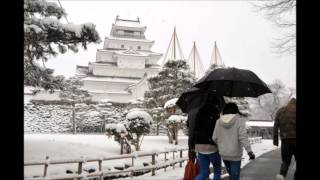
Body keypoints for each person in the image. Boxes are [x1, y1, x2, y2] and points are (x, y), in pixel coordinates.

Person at [212, 103, 255, 180]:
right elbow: (243, 137)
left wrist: (221, 145)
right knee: (234, 177)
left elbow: (214, 137)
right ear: (236, 110)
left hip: (224, 153)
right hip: (235, 154)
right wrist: (249, 151)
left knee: (231, 175)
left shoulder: (218, 121)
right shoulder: (240, 121)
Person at [187, 93, 224, 180]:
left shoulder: (200, 113)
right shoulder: (216, 114)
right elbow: (218, 132)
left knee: (203, 172)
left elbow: (194, 130)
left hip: (200, 146)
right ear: (216, 103)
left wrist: (192, 145)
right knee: (217, 170)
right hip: (212, 146)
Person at [273, 98, 296, 180]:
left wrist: (275, 141)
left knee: (285, 162)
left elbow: (275, 126)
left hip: (286, 140)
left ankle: (282, 176)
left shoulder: (281, 111)